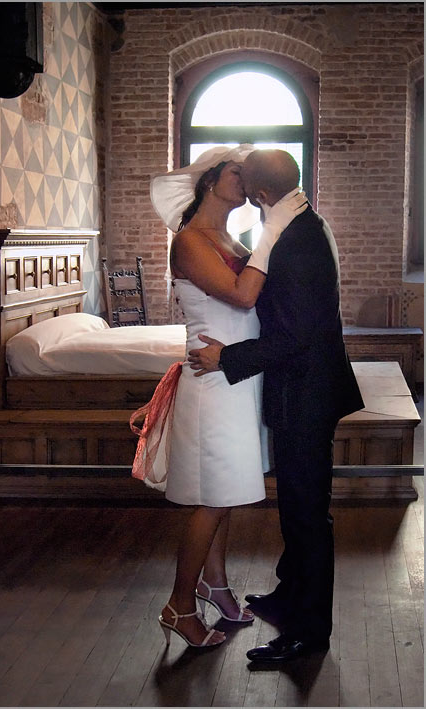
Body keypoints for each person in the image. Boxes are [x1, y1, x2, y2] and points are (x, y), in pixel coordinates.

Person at [188, 148, 364, 662]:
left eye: (246, 183)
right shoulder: (299, 223)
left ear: (261, 194)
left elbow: (297, 335)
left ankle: (308, 633)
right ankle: (290, 595)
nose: (242, 189)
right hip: (302, 389)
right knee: (295, 506)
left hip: (306, 393)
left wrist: (227, 357)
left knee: (307, 514)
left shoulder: (294, 239)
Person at [133, 145, 307, 649]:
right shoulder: (189, 241)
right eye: (236, 172)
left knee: (224, 493)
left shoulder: (229, 237)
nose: (245, 179)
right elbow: (243, 295)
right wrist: (273, 231)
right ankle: (179, 605)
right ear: (210, 181)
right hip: (212, 385)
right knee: (211, 500)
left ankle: (214, 584)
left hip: (237, 375)